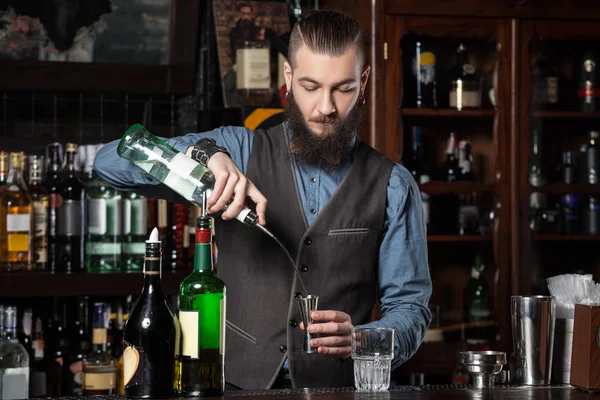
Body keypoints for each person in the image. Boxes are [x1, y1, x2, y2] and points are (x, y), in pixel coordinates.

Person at [94, 10, 432, 390]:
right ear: (288, 78)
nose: (326, 107)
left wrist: (363, 338)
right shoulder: (239, 148)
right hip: (231, 385)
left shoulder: (393, 185)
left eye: (344, 88)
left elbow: (410, 309)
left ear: (364, 80)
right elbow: (108, 163)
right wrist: (203, 153)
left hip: (335, 391)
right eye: (310, 86)